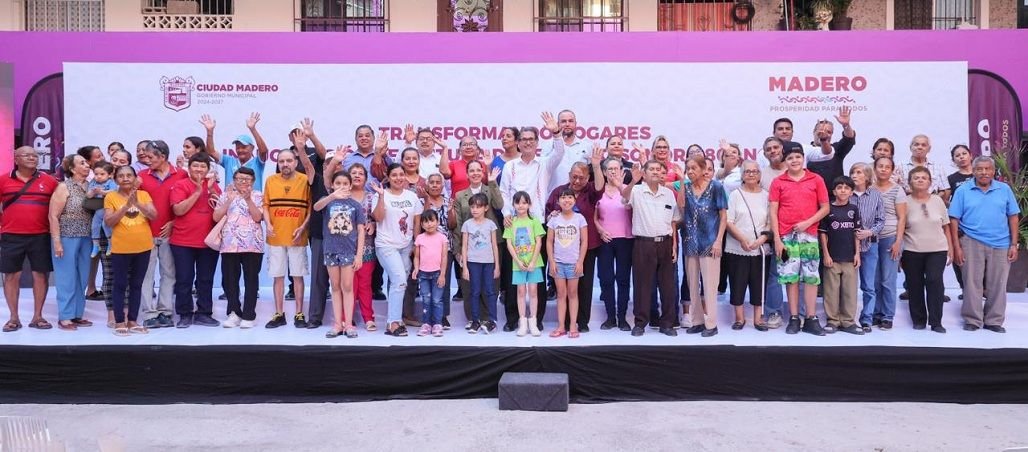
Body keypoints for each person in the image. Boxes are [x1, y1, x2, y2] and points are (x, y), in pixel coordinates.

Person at [499, 121, 565, 330]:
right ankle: (513, 320)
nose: (527, 143)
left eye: (531, 139)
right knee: (513, 275)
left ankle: (537, 319)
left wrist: (556, 132)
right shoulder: (510, 166)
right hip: (514, 225)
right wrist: (506, 214)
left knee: (538, 274)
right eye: (524, 139)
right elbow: (504, 192)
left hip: (536, 225)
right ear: (518, 143)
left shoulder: (544, 163)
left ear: (537, 143)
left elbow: (559, 152)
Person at [609, 159, 680, 337]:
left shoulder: (668, 194)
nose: (655, 172)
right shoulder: (637, 190)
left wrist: (674, 245)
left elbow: (673, 221)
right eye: (651, 169)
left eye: (658, 169)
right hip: (643, 244)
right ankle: (640, 323)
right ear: (645, 174)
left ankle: (667, 323)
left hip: (665, 243)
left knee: (668, 286)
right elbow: (624, 196)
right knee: (642, 285)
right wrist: (633, 180)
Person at [949, 156, 1020, 333]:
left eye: (987, 169)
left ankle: (994, 320)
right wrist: (957, 247)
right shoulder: (963, 190)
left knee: (998, 283)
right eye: (979, 169)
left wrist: (1014, 244)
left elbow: (1013, 216)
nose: (984, 172)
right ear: (973, 171)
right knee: (972, 283)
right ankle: (972, 319)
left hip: (1001, 243)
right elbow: (954, 219)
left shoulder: (1004, 189)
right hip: (971, 241)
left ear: (993, 171)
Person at [769, 145, 830, 336]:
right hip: (787, 237)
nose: (794, 160)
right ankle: (794, 318)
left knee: (811, 276)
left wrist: (808, 223)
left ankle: (811, 318)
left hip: (809, 235)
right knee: (791, 277)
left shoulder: (816, 179)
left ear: (803, 158)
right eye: (790, 158)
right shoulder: (778, 182)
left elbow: (825, 207)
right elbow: (773, 211)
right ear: (785, 161)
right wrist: (777, 239)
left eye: (797, 156)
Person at [543, 155, 604, 333]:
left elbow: (600, 188)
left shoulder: (590, 191)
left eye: (582, 178)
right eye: (574, 177)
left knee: (584, 286)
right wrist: (551, 215)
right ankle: (565, 322)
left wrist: (596, 166)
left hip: (586, 247)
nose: (577, 181)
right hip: (561, 250)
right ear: (569, 175)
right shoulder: (559, 192)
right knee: (563, 290)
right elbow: (548, 213)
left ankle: (582, 322)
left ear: (588, 178)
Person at [1, 146, 58, 332]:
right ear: (16, 159)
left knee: (41, 275)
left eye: (35, 155)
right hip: (11, 235)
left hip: (41, 235)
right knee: (11, 275)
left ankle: (38, 316)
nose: (32, 158)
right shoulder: (3, 180)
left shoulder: (49, 181)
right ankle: (13, 318)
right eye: (27, 155)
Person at [263, 146, 315, 329]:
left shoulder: (305, 180)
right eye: (281, 161)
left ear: (295, 162)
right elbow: (265, 206)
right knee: (278, 277)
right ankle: (279, 314)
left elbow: (310, 208)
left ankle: (299, 314)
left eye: (289, 160)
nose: (285, 164)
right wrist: (268, 224)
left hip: (297, 237)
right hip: (276, 237)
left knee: (298, 276)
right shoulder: (270, 181)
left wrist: (303, 227)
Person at [169, 153, 222, 328]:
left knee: (205, 280)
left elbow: (221, 210)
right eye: (195, 166)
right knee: (184, 279)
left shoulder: (213, 185)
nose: (199, 169)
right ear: (189, 167)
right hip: (182, 241)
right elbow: (178, 210)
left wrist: (212, 190)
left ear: (208, 169)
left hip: (208, 242)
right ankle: (184, 314)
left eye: (203, 166)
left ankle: (204, 313)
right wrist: (198, 192)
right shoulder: (181, 185)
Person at [104, 165, 158, 336]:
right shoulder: (111, 196)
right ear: (115, 179)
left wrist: (137, 204)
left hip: (144, 247)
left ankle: (133, 321)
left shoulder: (144, 195)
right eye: (121, 176)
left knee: (137, 285)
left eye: (129, 175)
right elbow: (109, 222)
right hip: (121, 248)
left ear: (135, 178)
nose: (125, 178)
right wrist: (126, 206)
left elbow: (154, 215)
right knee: (120, 284)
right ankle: (119, 321)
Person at [137, 140, 185, 329]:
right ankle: (149, 314)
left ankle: (165, 312)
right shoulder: (141, 176)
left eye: (151, 157)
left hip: (170, 234)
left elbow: (184, 205)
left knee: (169, 274)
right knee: (146, 275)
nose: (147, 160)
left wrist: (173, 223)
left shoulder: (181, 174)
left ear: (163, 156)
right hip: (145, 233)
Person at [450, 161, 504, 330]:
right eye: (471, 171)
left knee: (490, 284)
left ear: (483, 172)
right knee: (470, 286)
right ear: (466, 174)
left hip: (491, 244)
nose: (475, 173)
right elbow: (458, 224)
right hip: (469, 247)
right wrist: (458, 250)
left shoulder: (489, 188)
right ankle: (473, 318)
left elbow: (499, 205)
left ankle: (488, 319)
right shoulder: (460, 195)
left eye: (478, 170)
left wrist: (493, 181)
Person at [372, 163, 423, 337]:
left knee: (400, 283)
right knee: (400, 280)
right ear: (388, 177)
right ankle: (392, 323)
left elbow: (416, 222)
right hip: (386, 245)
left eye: (401, 174)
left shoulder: (412, 196)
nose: (398, 178)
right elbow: (378, 218)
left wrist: (416, 244)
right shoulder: (380, 194)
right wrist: (380, 197)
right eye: (394, 175)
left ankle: (397, 319)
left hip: (406, 246)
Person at [679, 154, 728, 337]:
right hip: (690, 242)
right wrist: (681, 181)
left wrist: (718, 241)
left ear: (702, 169)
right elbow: (681, 207)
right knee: (692, 285)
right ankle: (697, 321)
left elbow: (723, 216)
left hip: (710, 243)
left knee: (709, 286)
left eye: (694, 168)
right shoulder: (687, 188)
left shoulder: (716, 187)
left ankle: (711, 324)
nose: (690, 171)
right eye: (688, 169)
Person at [313, 170, 366, 339]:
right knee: (335, 287)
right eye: (338, 183)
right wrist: (331, 196)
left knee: (347, 287)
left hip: (348, 251)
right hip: (330, 250)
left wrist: (359, 255)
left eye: (345, 183)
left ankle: (348, 324)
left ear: (350, 186)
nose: (341, 186)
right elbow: (316, 207)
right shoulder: (328, 202)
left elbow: (361, 231)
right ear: (332, 185)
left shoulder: (355, 205)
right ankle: (337, 324)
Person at [902, 166, 952, 333]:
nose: (920, 180)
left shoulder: (938, 201)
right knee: (914, 284)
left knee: (934, 281)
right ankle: (918, 319)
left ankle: (936, 322)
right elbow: (900, 228)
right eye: (916, 177)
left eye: (924, 178)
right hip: (911, 249)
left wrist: (951, 248)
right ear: (909, 182)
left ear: (930, 182)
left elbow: (946, 226)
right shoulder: (904, 202)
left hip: (937, 249)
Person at [48, 154, 94, 330]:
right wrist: (57, 242)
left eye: (87, 162)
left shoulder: (91, 186)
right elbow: (53, 216)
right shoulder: (63, 187)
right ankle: (65, 316)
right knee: (66, 277)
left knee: (82, 277)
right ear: (72, 169)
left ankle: (77, 314)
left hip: (86, 237)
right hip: (66, 236)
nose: (87, 165)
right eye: (82, 163)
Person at [215, 167, 264, 329]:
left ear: (253, 181)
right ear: (234, 180)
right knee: (230, 281)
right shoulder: (225, 195)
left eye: (247, 179)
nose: (243, 182)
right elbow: (216, 217)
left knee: (251, 280)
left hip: (252, 245)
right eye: (239, 179)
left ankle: (249, 315)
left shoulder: (258, 196)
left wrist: (248, 199)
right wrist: (229, 200)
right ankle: (234, 313)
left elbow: (258, 217)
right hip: (229, 244)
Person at [724, 160, 770, 331]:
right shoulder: (735, 195)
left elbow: (770, 221)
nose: (751, 174)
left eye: (754, 171)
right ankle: (739, 318)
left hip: (760, 248)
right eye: (747, 171)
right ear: (742, 175)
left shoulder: (766, 195)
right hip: (737, 248)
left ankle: (758, 319)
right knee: (737, 283)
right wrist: (742, 239)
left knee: (759, 284)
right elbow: (728, 221)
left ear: (759, 175)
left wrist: (762, 239)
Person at [403, 173, 451, 329]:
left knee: (443, 283)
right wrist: (426, 200)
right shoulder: (420, 201)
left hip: (444, 246)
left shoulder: (448, 201)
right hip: (424, 246)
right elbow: (422, 220)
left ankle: (441, 318)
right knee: (419, 285)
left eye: (438, 182)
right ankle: (422, 319)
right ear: (427, 185)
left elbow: (452, 224)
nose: (435, 185)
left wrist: (451, 211)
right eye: (432, 182)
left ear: (443, 185)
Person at [818, 176, 863, 335]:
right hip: (832, 258)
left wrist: (857, 254)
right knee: (831, 291)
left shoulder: (854, 209)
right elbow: (823, 234)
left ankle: (848, 321)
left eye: (846, 188)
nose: (843, 190)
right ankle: (833, 320)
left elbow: (857, 233)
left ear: (851, 192)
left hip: (850, 258)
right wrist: (826, 254)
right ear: (834, 191)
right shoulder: (828, 209)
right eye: (839, 187)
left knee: (850, 291)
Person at [594, 156, 633, 331]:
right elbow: (593, 217)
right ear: (604, 172)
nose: (613, 172)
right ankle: (610, 317)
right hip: (605, 240)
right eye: (609, 169)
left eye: (616, 168)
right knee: (606, 279)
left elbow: (631, 206)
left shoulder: (627, 189)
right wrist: (600, 230)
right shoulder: (598, 191)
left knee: (623, 280)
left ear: (622, 171)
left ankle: (622, 318)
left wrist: (620, 186)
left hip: (625, 239)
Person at [870, 156, 907, 330]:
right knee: (874, 279)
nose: (883, 169)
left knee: (887, 279)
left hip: (890, 237)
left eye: (887, 167)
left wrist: (898, 241)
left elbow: (902, 218)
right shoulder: (869, 189)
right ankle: (875, 313)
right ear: (875, 168)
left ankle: (887, 315)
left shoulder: (897, 190)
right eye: (880, 166)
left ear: (892, 170)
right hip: (872, 239)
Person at [546, 188, 588, 339]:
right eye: (563, 198)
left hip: (573, 263)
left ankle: (573, 326)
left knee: (573, 293)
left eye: (570, 197)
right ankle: (561, 326)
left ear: (574, 200)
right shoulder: (554, 220)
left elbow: (584, 242)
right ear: (558, 202)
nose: (566, 200)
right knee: (561, 294)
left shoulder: (580, 219)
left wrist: (580, 262)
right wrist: (552, 261)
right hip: (558, 263)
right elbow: (549, 242)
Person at [849, 162, 885, 333]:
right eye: (852, 172)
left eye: (858, 172)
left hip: (870, 244)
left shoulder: (876, 195)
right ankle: (847, 318)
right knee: (849, 284)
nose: (854, 176)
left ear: (867, 176)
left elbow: (881, 220)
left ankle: (867, 319)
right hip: (848, 246)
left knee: (869, 285)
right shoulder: (846, 194)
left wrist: (869, 232)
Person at [504, 191, 546, 337]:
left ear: (529, 204)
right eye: (517, 202)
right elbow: (509, 243)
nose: (521, 205)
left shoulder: (534, 221)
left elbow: (539, 242)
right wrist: (517, 261)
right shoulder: (511, 222)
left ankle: (533, 321)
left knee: (533, 291)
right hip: (518, 264)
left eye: (524, 202)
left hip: (534, 263)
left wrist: (533, 261)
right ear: (513, 205)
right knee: (521, 292)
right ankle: (522, 322)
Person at [460, 192, 501, 334]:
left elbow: (494, 245)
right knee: (474, 291)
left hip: (488, 263)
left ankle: (492, 320)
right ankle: (475, 320)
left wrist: (497, 266)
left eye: (478, 207)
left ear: (486, 208)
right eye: (472, 207)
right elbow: (464, 246)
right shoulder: (467, 225)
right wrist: (465, 267)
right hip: (473, 262)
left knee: (490, 291)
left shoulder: (490, 224)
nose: (475, 210)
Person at [758, 137, 786, 328]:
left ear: (782, 149)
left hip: (795, 229)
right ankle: (774, 311)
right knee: (774, 275)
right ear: (765, 153)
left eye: (776, 147)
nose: (773, 151)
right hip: (772, 231)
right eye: (769, 149)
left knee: (799, 275)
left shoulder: (794, 170)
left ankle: (801, 314)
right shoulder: (762, 175)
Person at [201, 112, 269, 190]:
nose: (240, 150)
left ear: (252, 148)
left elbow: (264, 151)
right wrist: (209, 132)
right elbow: (211, 152)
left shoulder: (257, 162)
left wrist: (253, 129)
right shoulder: (229, 161)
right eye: (238, 147)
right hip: (230, 198)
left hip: (252, 198)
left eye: (244, 147)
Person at [805, 107, 857, 199]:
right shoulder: (804, 151)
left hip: (835, 200)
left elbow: (849, 139)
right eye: (820, 130)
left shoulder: (836, 149)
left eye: (828, 132)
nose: (824, 133)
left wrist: (846, 125)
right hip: (811, 198)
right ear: (814, 132)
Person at [412, 210, 448, 337]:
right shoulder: (419, 238)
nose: (429, 224)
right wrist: (416, 269)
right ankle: (426, 323)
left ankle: (437, 323)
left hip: (437, 273)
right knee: (426, 299)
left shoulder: (442, 238)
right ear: (422, 224)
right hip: (423, 274)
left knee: (437, 300)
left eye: (432, 220)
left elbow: (444, 257)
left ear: (437, 222)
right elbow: (417, 256)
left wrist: (442, 274)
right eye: (426, 222)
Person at [947, 144, 975, 296]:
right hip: (960, 225)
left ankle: (982, 289)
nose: (961, 157)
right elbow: (946, 201)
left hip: (979, 222)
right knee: (959, 256)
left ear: (971, 155)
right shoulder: (952, 179)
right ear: (953, 160)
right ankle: (964, 288)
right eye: (957, 155)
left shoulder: (981, 174)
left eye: (964, 153)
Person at [546, 110, 592, 195]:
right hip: (554, 197)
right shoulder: (548, 145)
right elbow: (543, 171)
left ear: (575, 124)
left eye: (570, 121)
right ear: (557, 124)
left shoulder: (587, 146)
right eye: (563, 121)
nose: (567, 124)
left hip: (579, 198)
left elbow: (591, 175)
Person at [895, 135, 951, 201]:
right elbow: (896, 189)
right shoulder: (900, 167)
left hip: (932, 204)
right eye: (916, 144)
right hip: (907, 204)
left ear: (929, 149)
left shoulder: (938, 167)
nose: (920, 147)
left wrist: (933, 201)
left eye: (923, 145)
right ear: (910, 147)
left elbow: (946, 189)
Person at [88, 161, 116, 257]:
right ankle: (96, 245)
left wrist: (102, 192)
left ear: (110, 175)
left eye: (102, 174)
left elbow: (114, 192)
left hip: (108, 209)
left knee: (106, 225)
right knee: (94, 226)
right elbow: (88, 195)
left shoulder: (111, 182)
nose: (98, 176)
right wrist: (93, 192)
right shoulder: (93, 182)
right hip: (98, 209)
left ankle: (111, 244)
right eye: (96, 174)